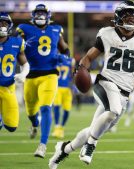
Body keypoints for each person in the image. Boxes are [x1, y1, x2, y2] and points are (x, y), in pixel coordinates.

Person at [49, 1, 134, 168]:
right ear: (119, 17)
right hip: (105, 83)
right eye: (128, 17)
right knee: (113, 111)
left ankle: (64, 149)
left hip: (124, 92)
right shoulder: (107, 34)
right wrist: (81, 69)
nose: (132, 21)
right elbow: (89, 58)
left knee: (95, 128)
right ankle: (90, 146)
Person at [16, 4, 70, 158]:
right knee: (31, 112)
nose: (40, 16)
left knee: (46, 108)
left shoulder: (56, 29)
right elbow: (16, 47)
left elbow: (65, 48)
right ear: (33, 15)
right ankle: (34, 125)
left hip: (50, 75)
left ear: (48, 15)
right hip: (31, 75)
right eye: (37, 13)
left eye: (43, 13)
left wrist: (65, 56)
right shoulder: (24, 29)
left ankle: (42, 145)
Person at [0, 12, 29, 132]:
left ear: (9, 26)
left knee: (12, 127)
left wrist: (23, 74)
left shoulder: (17, 42)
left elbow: (25, 64)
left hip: (8, 87)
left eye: (4, 23)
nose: (2, 26)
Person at [52, 54, 74, 139]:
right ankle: (57, 127)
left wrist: (72, 86)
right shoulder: (55, 58)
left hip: (67, 88)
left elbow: (72, 74)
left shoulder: (70, 60)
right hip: (57, 87)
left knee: (67, 110)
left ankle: (62, 128)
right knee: (57, 107)